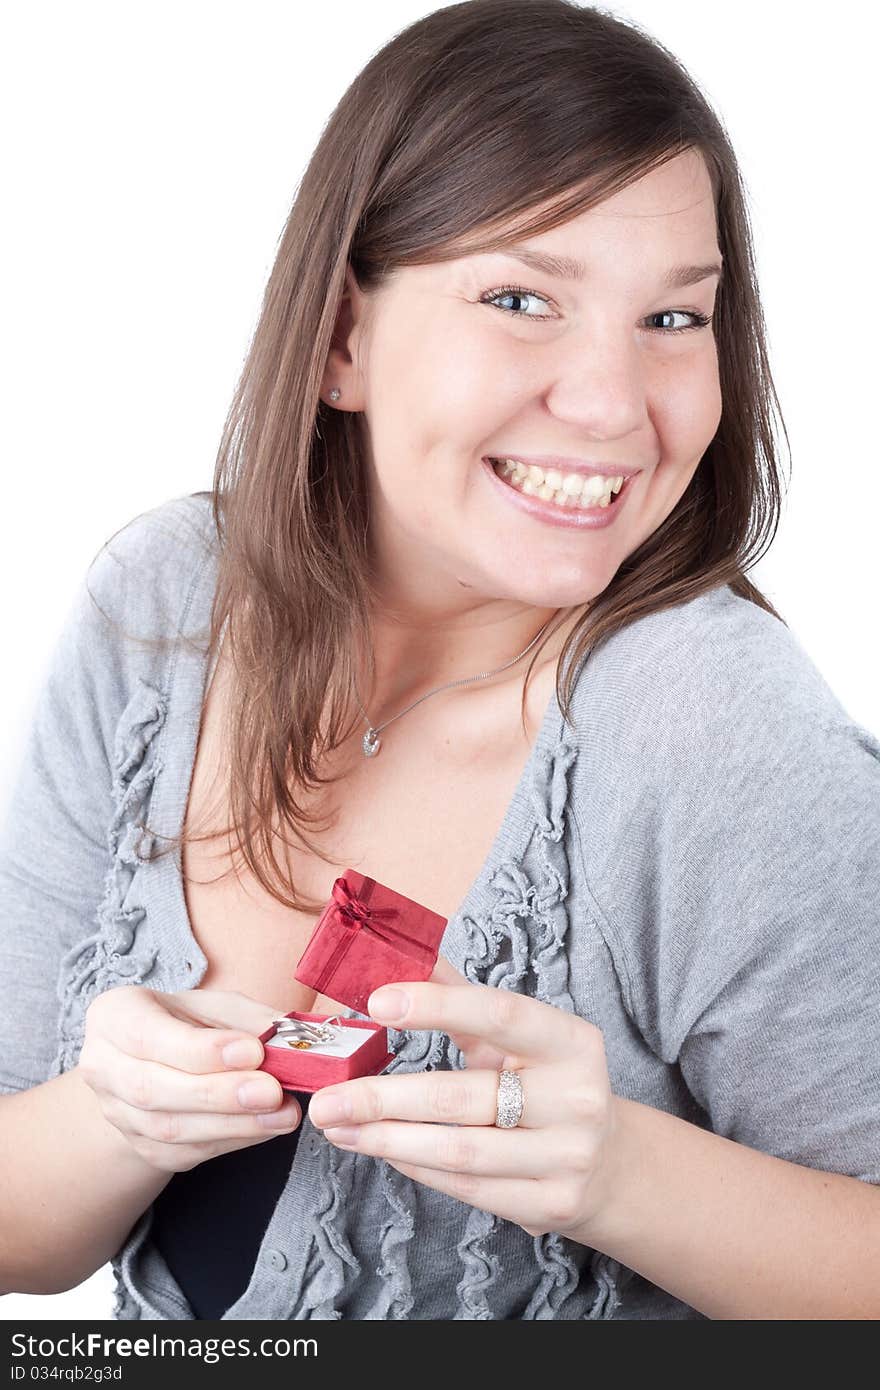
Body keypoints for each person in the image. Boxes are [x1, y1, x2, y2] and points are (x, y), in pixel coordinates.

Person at [1, 0, 878, 1322]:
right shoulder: (162, 606)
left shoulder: (707, 721)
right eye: (521, 298)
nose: (615, 404)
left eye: (674, 319)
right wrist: (115, 1112)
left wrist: (621, 1170)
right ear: (343, 337)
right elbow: (21, 1234)